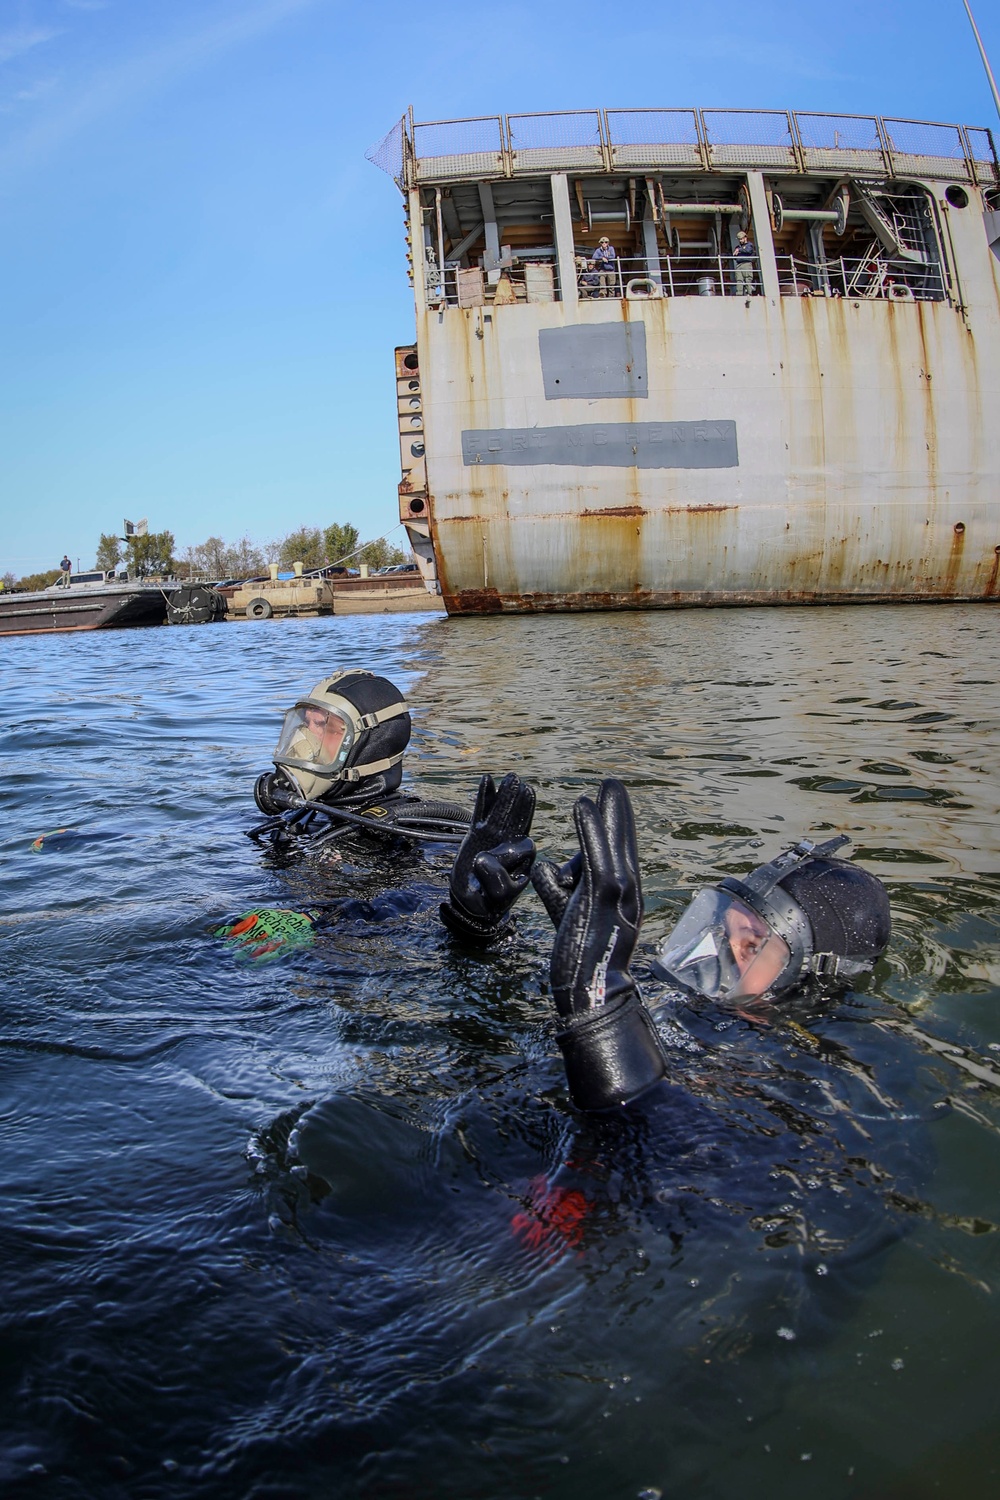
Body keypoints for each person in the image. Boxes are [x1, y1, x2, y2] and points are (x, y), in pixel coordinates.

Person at [531, 780, 891, 1112]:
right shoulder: (665, 987)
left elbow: (661, 1158)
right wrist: (487, 932)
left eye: (751, 945)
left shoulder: (798, 1082)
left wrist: (599, 1018)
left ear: (804, 982)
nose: (722, 952)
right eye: (721, 927)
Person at [247, 669, 537, 948]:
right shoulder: (299, 814)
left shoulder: (414, 830)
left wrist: (475, 922)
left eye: (324, 725)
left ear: (368, 745)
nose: (305, 739)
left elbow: (420, 897)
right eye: (304, 723)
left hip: (358, 957)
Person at [732, 230, 756, 296]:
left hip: (746, 264)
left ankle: (749, 293)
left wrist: (739, 250)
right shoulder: (737, 247)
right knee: (739, 280)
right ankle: (739, 294)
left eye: (741, 239)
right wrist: (735, 254)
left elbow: (749, 250)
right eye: (739, 239)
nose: (740, 240)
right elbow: (734, 257)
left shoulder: (749, 245)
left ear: (745, 238)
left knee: (747, 279)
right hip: (739, 265)